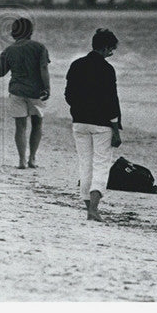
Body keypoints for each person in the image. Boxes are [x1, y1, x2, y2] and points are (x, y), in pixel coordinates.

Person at [64, 28, 122, 222]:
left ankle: (89, 207)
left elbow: (68, 95)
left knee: (85, 164)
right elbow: (112, 101)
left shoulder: (76, 65)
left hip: (79, 122)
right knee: (101, 165)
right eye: (111, 49)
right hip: (102, 125)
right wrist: (115, 128)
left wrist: (79, 108)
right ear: (105, 47)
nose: (111, 53)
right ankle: (94, 209)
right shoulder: (107, 70)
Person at [0, 17, 50, 169]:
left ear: (13, 32)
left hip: (17, 91)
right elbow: (44, 69)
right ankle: (32, 159)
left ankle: (21, 161)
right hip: (36, 92)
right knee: (37, 124)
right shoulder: (39, 47)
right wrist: (47, 88)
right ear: (30, 32)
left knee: (20, 126)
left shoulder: (9, 50)